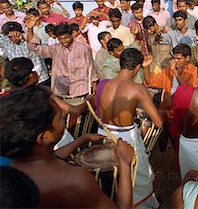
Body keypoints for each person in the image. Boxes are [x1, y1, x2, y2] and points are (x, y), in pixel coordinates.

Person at [0, 85, 135, 208]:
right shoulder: (75, 181)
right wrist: (124, 163)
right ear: (43, 138)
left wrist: (83, 139)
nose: (64, 114)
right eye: (59, 117)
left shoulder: (9, 168)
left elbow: (50, 158)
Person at [98, 48, 163, 208]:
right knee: (138, 177)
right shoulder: (138, 89)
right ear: (137, 68)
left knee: (110, 175)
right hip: (126, 137)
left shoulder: (104, 84)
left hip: (103, 134)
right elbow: (158, 123)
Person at [27, 22, 99, 96]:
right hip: (61, 88)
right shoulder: (55, 48)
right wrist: (30, 30)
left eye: (66, 38)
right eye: (60, 39)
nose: (64, 41)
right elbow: (34, 48)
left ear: (71, 35)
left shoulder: (83, 48)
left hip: (80, 87)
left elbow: (91, 66)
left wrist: (94, 83)